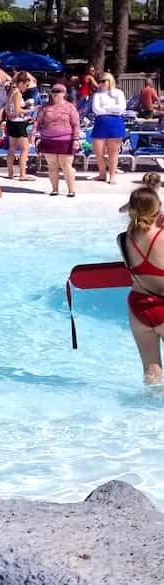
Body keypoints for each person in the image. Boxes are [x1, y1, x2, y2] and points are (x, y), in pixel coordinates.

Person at [118, 185, 164, 384]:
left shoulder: (123, 240)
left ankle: (148, 410)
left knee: (151, 370)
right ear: (158, 209)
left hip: (138, 306)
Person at [34, 83, 81, 196]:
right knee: (52, 166)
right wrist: (33, 134)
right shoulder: (45, 107)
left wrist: (76, 139)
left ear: (64, 93)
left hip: (65, 139)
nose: (55, 94)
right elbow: (38, 121)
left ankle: (71, 190)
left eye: (58, 91)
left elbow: (76, 124)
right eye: (53, 91)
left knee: (66, 166)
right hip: (48, 139)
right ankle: (55, 189)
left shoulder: (70, 107)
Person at [91, 72, 128, 184]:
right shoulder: (97, 95)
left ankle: (112, 175)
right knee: (98, 151)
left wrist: (106, 108)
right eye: (100, 81)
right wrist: (113, 109)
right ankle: (102, 174)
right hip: (100, 123)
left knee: (113, 152)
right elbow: (96, 110)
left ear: (110, 81)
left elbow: (121, 108)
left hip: (115, 123)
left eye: (103, 81)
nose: (101, 83)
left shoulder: (118, 93)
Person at [3, 72, 36, 181]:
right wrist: (31, 110)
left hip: (11, 122)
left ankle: (10, 172)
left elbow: (8, 109)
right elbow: (17, 110)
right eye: (26, 85)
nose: (26, 88)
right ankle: (22, 174)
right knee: (25, 149)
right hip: (18, 123)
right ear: (21, 83)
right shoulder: (18, 93)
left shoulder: (11, 92)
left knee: (12, 148)